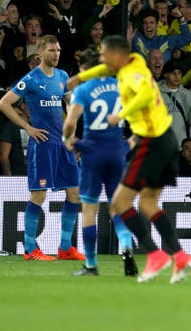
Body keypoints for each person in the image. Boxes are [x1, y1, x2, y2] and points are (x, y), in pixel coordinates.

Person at [66, 35, 191, 284]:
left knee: (120, 204)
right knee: (147, 204)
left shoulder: (131, 75)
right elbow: (107, 67)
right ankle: (179, 255)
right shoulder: (132, 62)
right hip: (165, 139)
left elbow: (146, 94)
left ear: (117, 56)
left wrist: (120, 113)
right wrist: (81, 77)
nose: (102, 60)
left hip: (151, 142)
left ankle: (156, 255)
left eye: (105, 55)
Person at [0, 35, 84, 261]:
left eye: (58, 50)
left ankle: (65, 248)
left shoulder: (62, 76)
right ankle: (29, 248)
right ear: (40, 53)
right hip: (42, 145)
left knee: (74, 194)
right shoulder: (32, 79)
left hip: (62, 146)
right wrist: (28, 128)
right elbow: (4, 103)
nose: (56, 54)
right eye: (52, 50)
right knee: (39, 195)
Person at [62, 47, 137, 277]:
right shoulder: (121, 87)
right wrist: (130, 143)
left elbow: (71, 122)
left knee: (89, 210)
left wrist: (68, 140)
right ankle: (126, 246)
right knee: (118, 208)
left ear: (86, 69)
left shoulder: (84, 89)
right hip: (116, 152)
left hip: (93, 153)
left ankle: (92, 265)